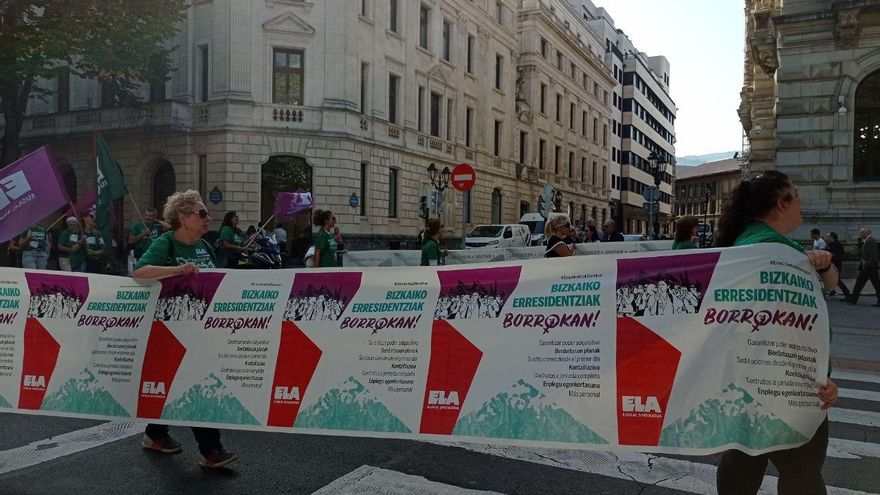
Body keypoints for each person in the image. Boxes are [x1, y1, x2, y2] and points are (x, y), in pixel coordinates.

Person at [714, 170, 839, 494]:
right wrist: (819, 376)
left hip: (744, 381)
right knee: (802, 472)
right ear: (782, 203)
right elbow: (798, 329)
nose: (801, 202)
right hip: (788, 386)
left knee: (742, 461)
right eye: (796, 195)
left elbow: (830, 283)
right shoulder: (779, 253)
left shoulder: (750, 244)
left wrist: (822, 266)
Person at [133, 190, 237, 469]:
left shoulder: (205, 246)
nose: (208, 218)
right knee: (196, 383)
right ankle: (210, 450)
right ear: (182, 216)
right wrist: (178, 271)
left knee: (178, 382)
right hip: (172, 328)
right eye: (201, 213)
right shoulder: (166, 243)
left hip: (200, 328)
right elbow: (139, 273)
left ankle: (155, 434)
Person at [845, 227, 880, 307]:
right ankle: (853, 299)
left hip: (870, 267)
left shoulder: (871, 241)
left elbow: (873, 255)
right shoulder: (867, 240)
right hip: (865, 267)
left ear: (867, 233)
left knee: (876, 284)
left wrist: (868, 265)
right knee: (859, 283)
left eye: (861, 232)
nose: (860, 234)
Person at [824, 232, 850, 298]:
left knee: (837, 280)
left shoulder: (836, 244)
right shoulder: (830, 244)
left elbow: (835, 255)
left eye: (828, 237)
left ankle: (847, 294)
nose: (826, 238)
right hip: (831, 265)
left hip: (836, 266)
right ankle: (832, 291)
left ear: (832, 237)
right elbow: (826, 251)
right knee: (829, 279)